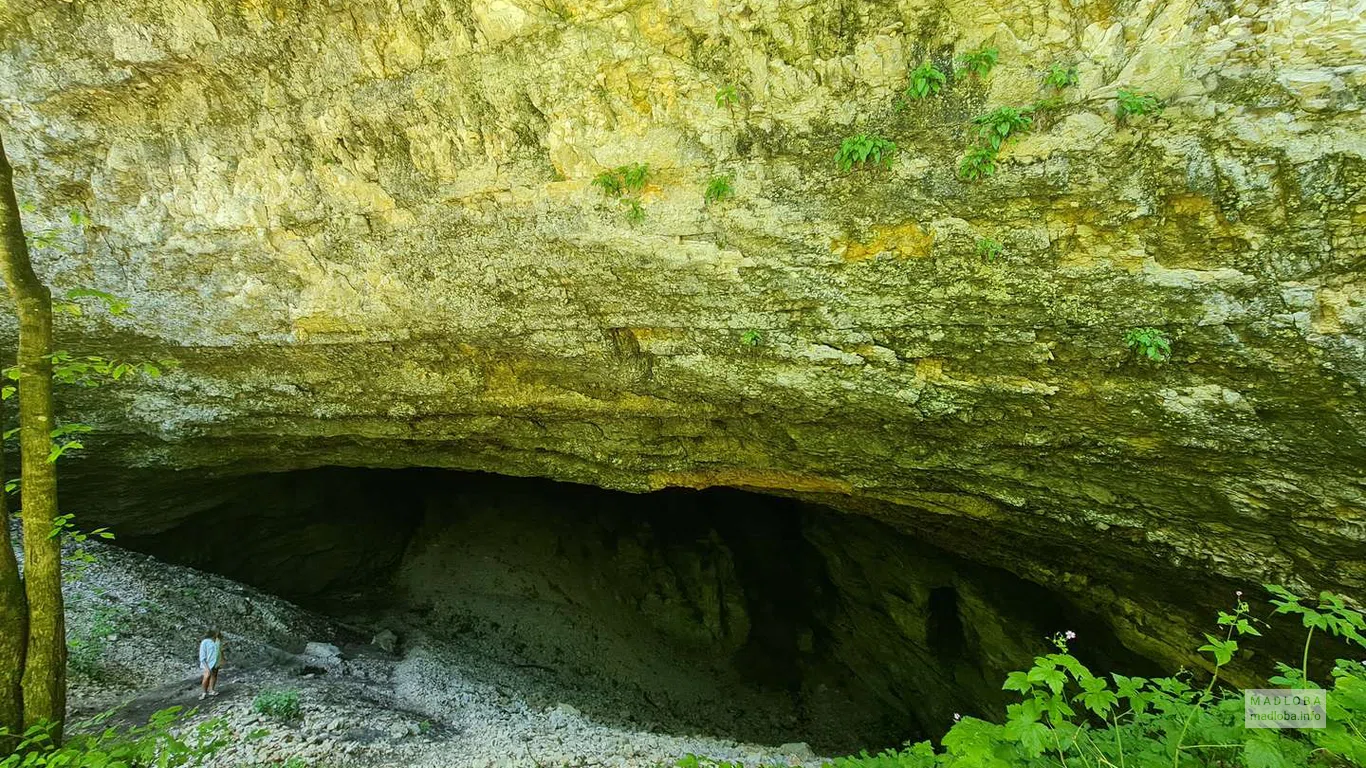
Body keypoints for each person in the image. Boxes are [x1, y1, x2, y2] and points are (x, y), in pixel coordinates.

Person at [198, 629, 224, 700]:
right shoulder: (205, 642)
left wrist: (222, 659)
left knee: (214, 675)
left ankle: (211, 690)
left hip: (216, 662)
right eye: (217, 632)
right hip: (207, 662)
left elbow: (220, 650)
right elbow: (202, 655)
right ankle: (204, 692)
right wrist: (206, 666)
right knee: (207, 676)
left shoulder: (218, 641)